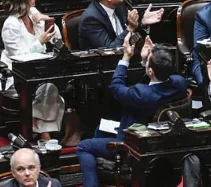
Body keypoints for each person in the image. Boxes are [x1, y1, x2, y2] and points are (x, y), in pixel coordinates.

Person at [77, 36, 188, 187]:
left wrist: (126, 56)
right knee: (100, 129)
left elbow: (115, 86)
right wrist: (150, 58)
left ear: (150, 70)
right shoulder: (179, 83)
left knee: (83, 147)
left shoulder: (141, 94)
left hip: (132, 144)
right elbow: (155, 82)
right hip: (156, 139)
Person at [0, 0, 64, 136]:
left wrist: (47, 20)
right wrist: (39, 42)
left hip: (38, 68)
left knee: (53, 83)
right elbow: (18, 57)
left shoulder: (33, 13)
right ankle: (43, 132)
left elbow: (56, 38)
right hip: (16, 74)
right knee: (47, 86)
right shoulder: (11, 24)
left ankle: (39, 125)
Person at [78, 0, 162, 50]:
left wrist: (142, 22)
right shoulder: (91, 19)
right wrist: (130, 28)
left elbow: (128, 29)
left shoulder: (119, 5)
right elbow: (109, 49)